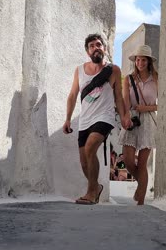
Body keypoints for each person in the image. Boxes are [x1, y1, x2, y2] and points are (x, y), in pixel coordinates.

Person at [63, 33, 131, 205]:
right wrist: (68, 119)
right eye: (92, 46)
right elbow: (72, 95)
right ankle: (96, 187)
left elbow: (118, 97)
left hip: (104, 117)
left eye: (99, 44)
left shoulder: (113, 70)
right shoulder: (79, 70)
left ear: (104, 49)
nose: (96, 47)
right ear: (88, 51)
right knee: (84, 161)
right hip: (85, 119)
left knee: (90, 147)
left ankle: (91, 193)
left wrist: (123, 116)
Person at [118, 45, 158, 205]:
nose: (140, 62)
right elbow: (125, 100)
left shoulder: (156, 79)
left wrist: (146, 108)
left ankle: (140, 200)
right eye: (138, 59)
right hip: (133, 119)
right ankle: (142, 186)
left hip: (148, 120)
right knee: (127, 160)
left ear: (148, 62)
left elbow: (162, 104)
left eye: (143, 60)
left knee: (142, 163)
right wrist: (125, 116)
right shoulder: (128, 79)